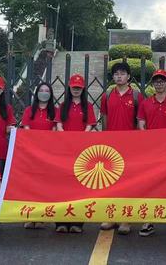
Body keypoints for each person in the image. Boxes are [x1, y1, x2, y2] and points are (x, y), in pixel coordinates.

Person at [137, 69, 166, 238]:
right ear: (153, 83)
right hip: (151, 151)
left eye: (162, 80)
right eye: (156, 81)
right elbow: (141, 125)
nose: (159, 83)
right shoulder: (146, 103)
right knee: (150, 185)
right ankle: (148, 220)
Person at [99, 61, 139, 235]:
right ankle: (111, 216)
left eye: (122, 73)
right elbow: (104, 118)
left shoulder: (136, 95)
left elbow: (140, 120)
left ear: (128, 76)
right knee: (111, 181)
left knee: (128, 183)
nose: (119, 76)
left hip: (130, 146)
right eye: (116, 74)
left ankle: (125, 219)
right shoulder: (107, 95)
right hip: (111, 146)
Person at [55, 73, 97, 234]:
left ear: (83, 89)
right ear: (69, 88)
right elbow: (59, 125)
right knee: (62, 186)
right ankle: (60, 221)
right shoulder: (63, 105)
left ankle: (77, 222)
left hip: (82, 152)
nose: (76, 90)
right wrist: (67, 139)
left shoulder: (88, 106)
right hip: (64, 150)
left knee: (80, 186)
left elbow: (89, 125)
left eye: (79, 87)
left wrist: (79, 140)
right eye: (74, 87)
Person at [21, 81, 56, 230]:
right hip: (32, 154)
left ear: (51, 94)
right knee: (31, 185)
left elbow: (55, 131)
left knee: (45, 185)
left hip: (48, 154)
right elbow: (26, 128)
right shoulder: (29, 110)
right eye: (42, 90)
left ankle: (43, 216)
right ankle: (30, 216)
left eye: (47, 91)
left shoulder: (55, 111)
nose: (44, 93)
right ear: (37, 93)